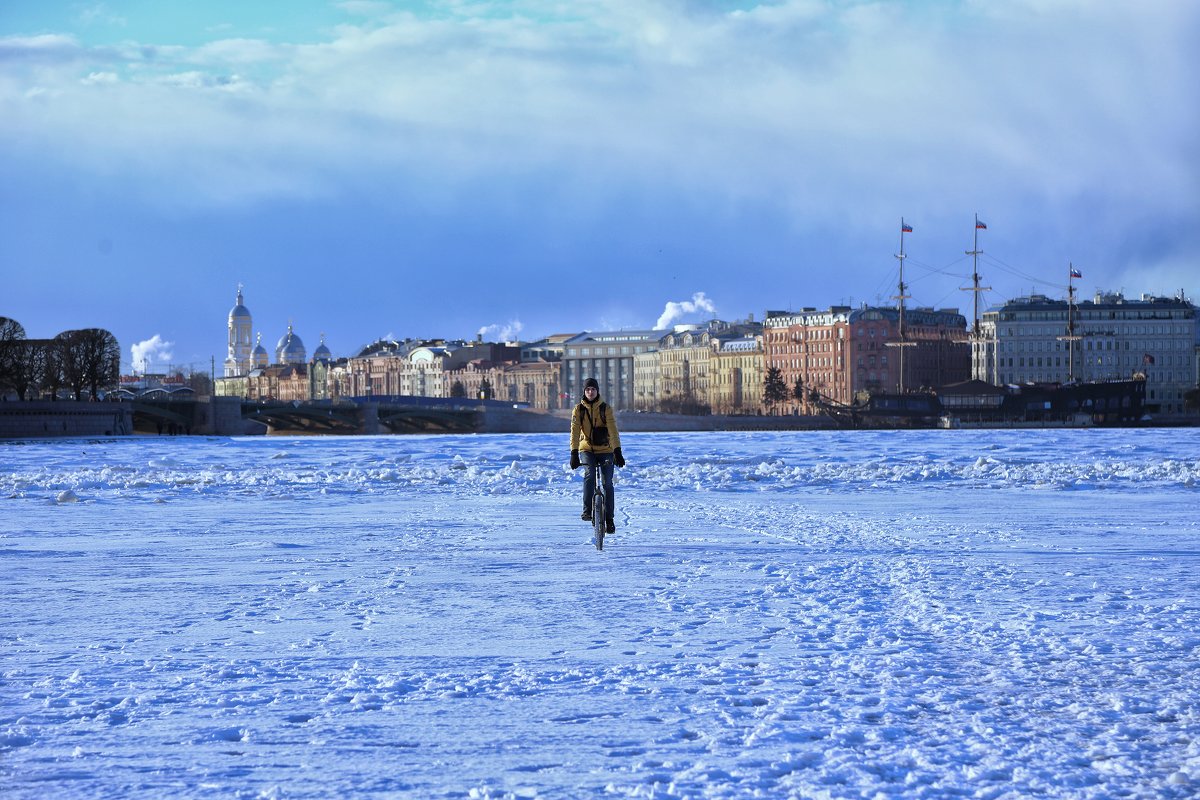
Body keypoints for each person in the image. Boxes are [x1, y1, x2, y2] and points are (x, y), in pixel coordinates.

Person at [569, 378, 625, 533]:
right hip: (586, 449)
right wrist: (574, 452)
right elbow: (574, 432)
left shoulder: (605, 408)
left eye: (593, 389)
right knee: (589, 475)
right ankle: (587, 510)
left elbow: (613, 430)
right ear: (584, 391)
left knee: (608, 484)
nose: (590, 392)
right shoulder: (578, 409)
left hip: (605, 449)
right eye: (588, 389)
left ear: (597, 391)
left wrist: (617, 451)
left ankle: (610, 519)